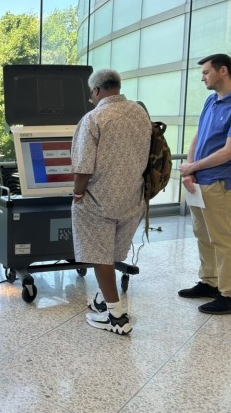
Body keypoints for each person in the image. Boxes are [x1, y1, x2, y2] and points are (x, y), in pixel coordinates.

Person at [71, 68, 151, 335]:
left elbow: (83, 166)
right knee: (113, 253)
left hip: (98, 200)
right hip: (132, 197)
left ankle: (116, 316)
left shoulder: (94, 118)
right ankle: (102, 299)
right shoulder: (140, 112)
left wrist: (77, 193)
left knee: (99, 255)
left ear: (96, 91)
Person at [178, 53, 231, 314]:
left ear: (222, 71)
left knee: (222, 238)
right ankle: (210, 282)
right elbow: (198, 135)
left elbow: (230, 151)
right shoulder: (211, 101)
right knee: (202, 234)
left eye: (205, 72)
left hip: (220, 181)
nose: (202, 77)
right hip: (199, 181)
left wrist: (193, 167)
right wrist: (190, 170)